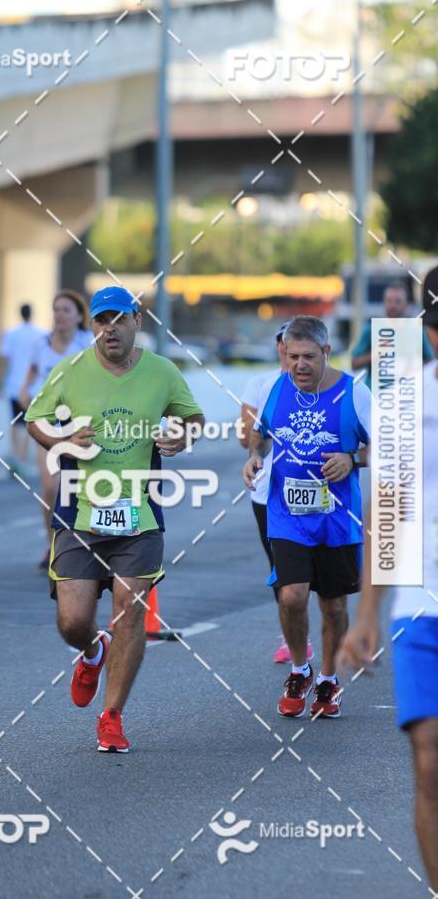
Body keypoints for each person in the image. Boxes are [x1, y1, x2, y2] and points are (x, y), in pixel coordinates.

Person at [25, 285, 204, 752]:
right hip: (79, 511)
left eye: (119, 319)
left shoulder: (162, 371)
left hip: (139, 515)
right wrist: (63, 439)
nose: (110, 328)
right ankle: (92, 649)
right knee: (72, 621)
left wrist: (182, 437)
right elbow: (34, 419)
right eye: (102, 320)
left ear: (136, 321)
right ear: (93, 326)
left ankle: (111, 716)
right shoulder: (70, 370)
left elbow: (193, 418)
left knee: (130, 612)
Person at [338, 267, 438, 892]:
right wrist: (368, 615)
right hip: (421, 603)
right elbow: (387, 508)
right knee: (429, 760)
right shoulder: (408, 403)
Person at [243, 315, 371, 718]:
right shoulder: (276, 388)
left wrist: (351, 459)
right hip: (287, 514)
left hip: (337, 517)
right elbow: (260, 434)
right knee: (292, 595)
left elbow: (391, 446)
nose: (299, 364)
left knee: (333, 606)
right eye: (293, 355)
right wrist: (255, 456)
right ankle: (300, 669)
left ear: (326, 352)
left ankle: (329, 680)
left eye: (309, 357)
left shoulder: (354, 393)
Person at [240, 321, 314, 664]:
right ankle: (293, 635)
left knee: (316, 569)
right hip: (267, 491)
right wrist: (261, 434)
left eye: (295, 342)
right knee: (279, 567)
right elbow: (246, 438)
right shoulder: (261, 384)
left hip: (315, 488)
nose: (288, 348)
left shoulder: (325, 384)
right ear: (279, 347)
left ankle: (314, 628)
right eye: (284, 342)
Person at [19, 290, 92, 570]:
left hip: (81, 424)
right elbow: (31, 374)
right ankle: (52, 545)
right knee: (50, 487)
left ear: (78, 315)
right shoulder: (41, 344)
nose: (59, 315)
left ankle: (86, 543)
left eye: (66, 310)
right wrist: (25, 392)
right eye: (56, 309)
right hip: (49, 424)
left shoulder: (87, 342)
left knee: (82, 487)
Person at [351, 281, 434, 388]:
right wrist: (375, 354)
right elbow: (354, 363)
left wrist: (414, 366)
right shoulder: (371, 328)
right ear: (383, 302)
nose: (393, 306)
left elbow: (431, 363)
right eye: (389, 301)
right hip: (377, 394)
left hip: (407, 393)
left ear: (407, 304)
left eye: (398, 301)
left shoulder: (418, 330)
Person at [0, 303, 45, 473]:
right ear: (32, 314)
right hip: (34, 386)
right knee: (28, 422)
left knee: (15, 422)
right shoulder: (41, 334)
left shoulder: (11, 334)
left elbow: (4, 359)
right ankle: (22, 459)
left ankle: (16, 457)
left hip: (14, 384)